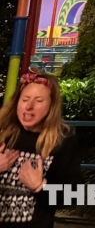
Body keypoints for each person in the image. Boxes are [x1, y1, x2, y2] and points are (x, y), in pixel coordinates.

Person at [0, 71, 83, 228]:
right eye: (25, 99)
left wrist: (40, 187)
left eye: (38, 100)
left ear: (51, 106)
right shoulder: (2, 131)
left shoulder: (63, 140)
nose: (29, 106)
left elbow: (74, 194)